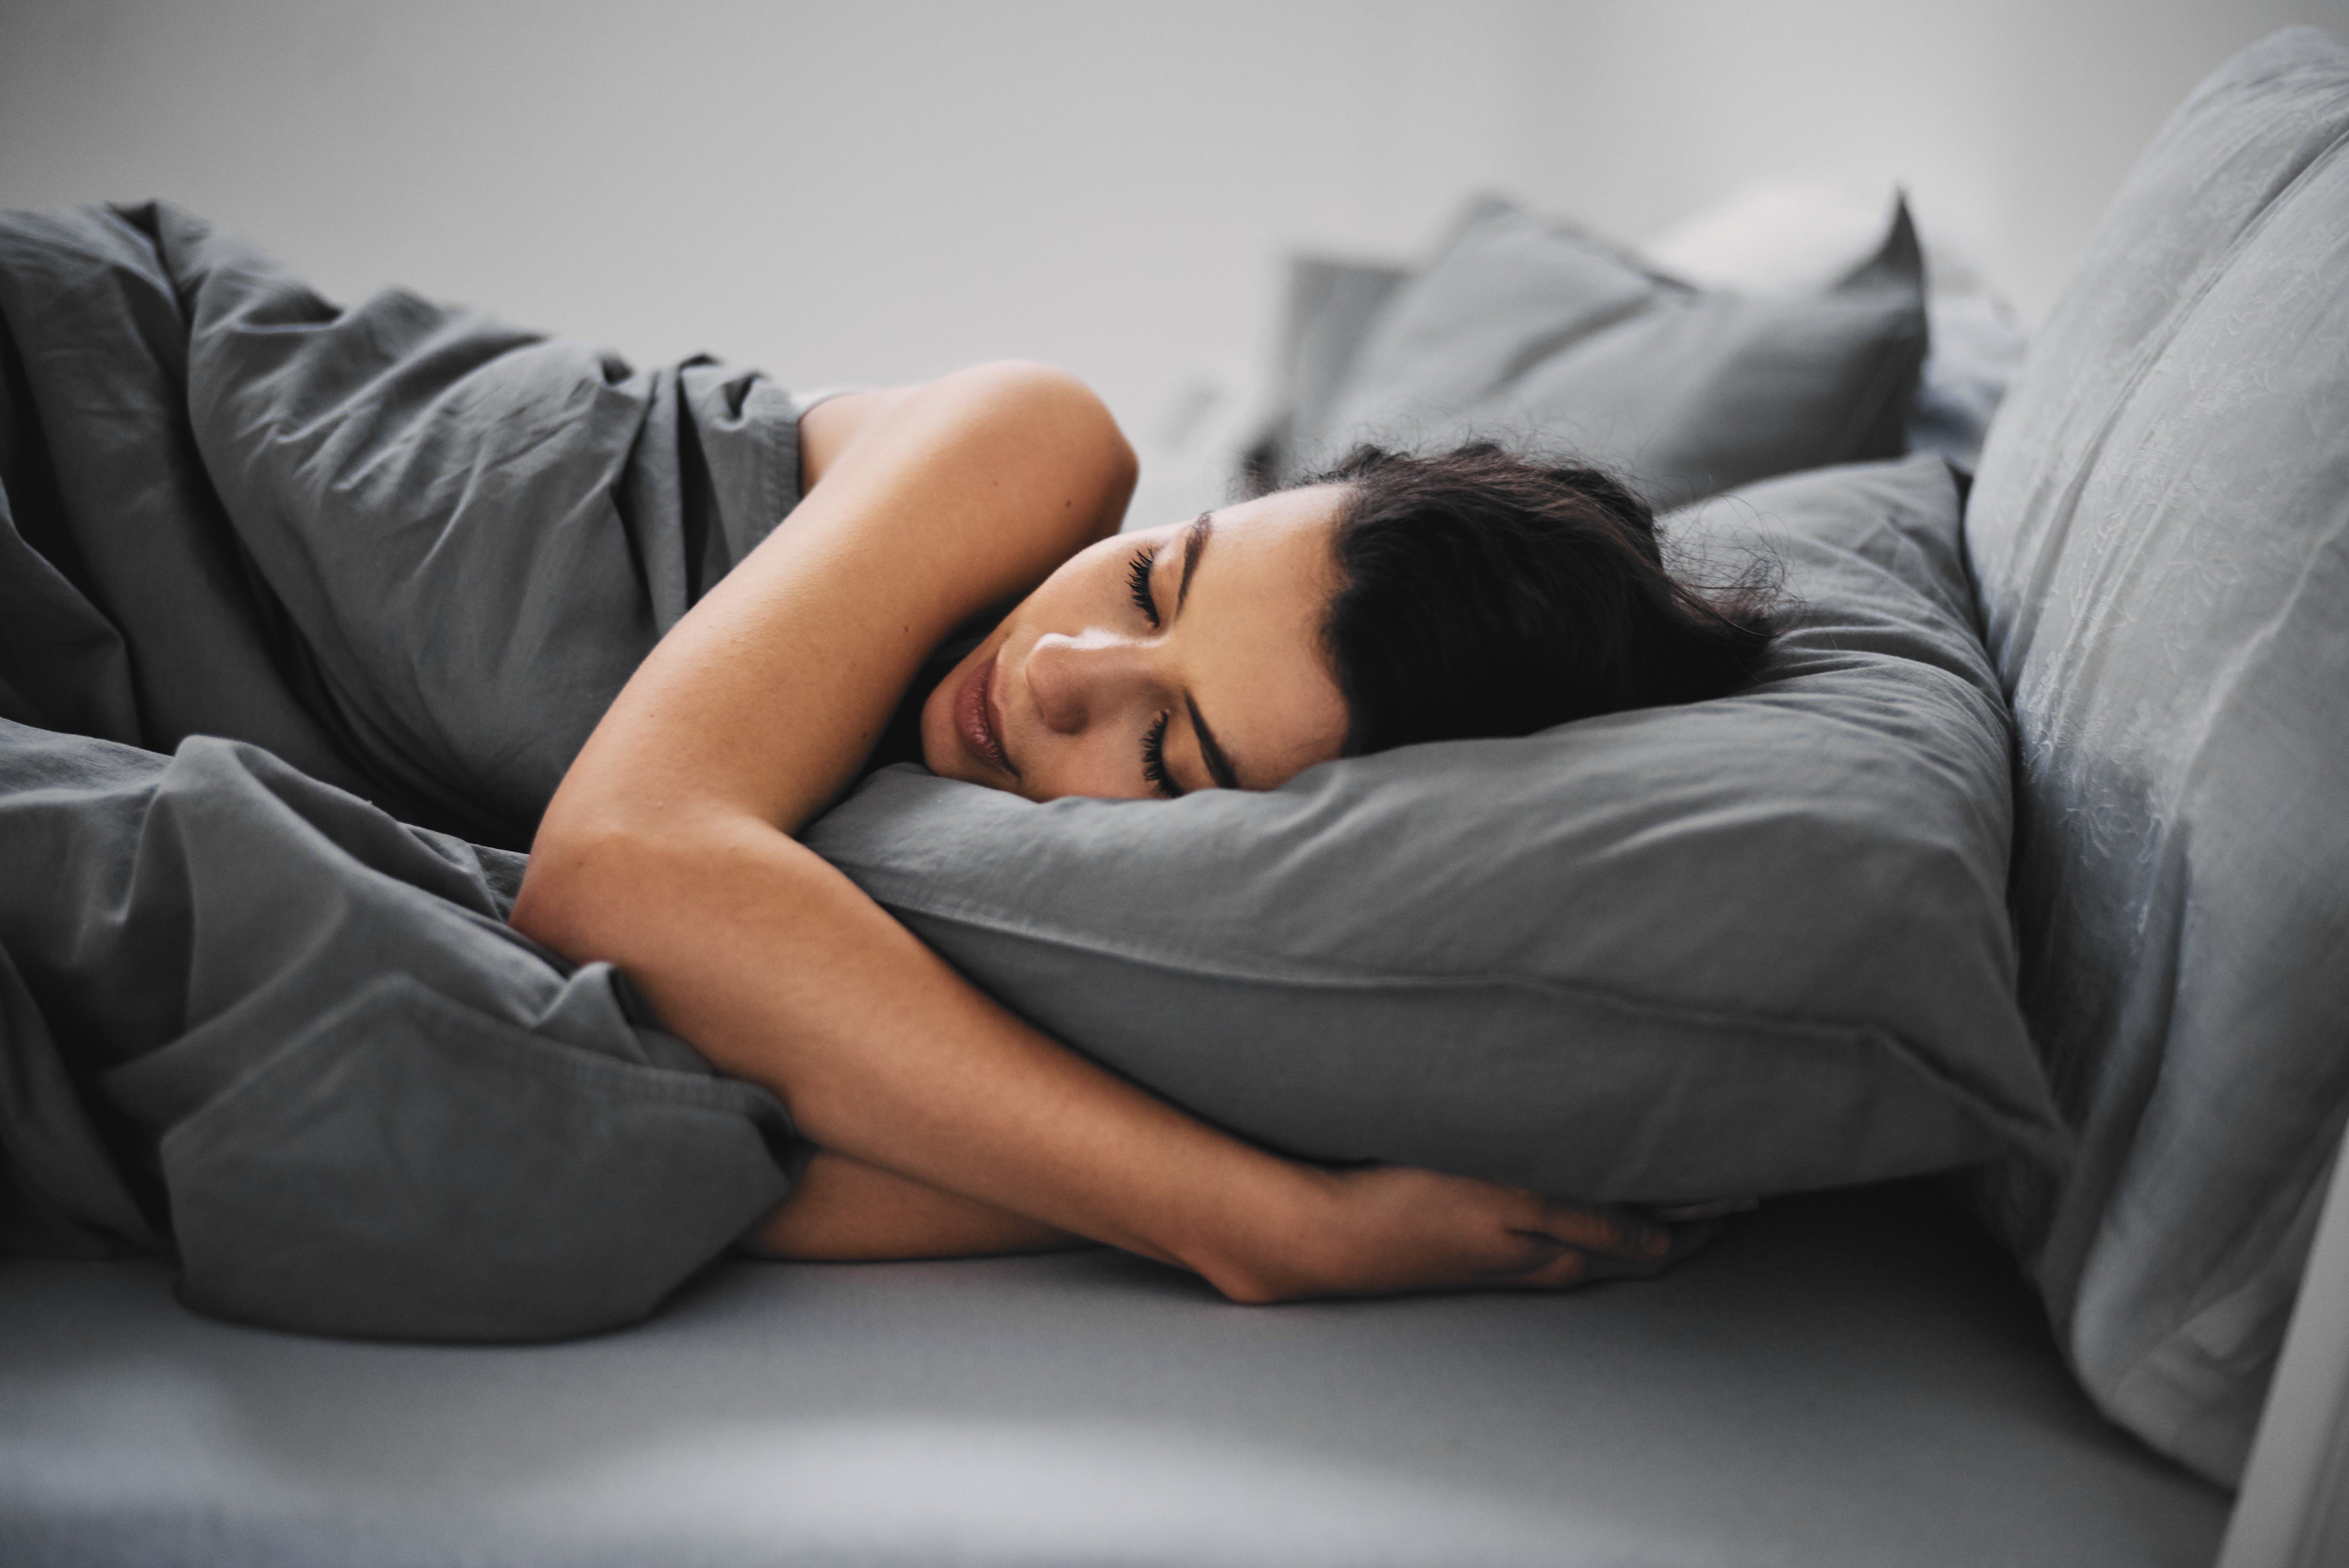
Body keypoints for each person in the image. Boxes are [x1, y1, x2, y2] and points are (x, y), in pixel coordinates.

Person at [509, 361, 1775, 1304]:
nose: (1059, 669)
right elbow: (615, 866)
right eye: (1150, 581)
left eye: (1167, 754)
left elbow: (691, 1173)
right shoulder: (1032, 444)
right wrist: (1272, 1222)